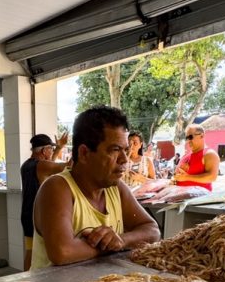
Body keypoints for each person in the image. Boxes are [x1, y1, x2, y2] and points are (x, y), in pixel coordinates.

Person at [31, 106, 160, 269]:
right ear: (84, 153)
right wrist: (109, 246)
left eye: (125, 150)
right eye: (115, 150)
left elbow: (153, 231)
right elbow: (63, 252)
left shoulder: (116, 188)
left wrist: (120, 240)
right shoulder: (57, 188)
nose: (124, 160)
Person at [20, 132, 69, 270]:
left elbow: (48, 166)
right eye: (51, 149)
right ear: (44, 150)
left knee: (30, 250)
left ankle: (25, 281)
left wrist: (59, 149)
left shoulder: (26, 165)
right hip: (37, 217)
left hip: (27, 214)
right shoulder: (41, 166)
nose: (52, 152)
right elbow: (68, 167)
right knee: (40, 253)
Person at [174, 125, 219, 190]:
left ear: (201, 136)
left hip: (198, 198)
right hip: (180, 197)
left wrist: (187, 177)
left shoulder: (209, 154)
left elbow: (212, 177)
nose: (188, 141)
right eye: (186, 138)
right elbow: (177, 175)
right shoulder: (185, 156)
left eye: (190, 137)